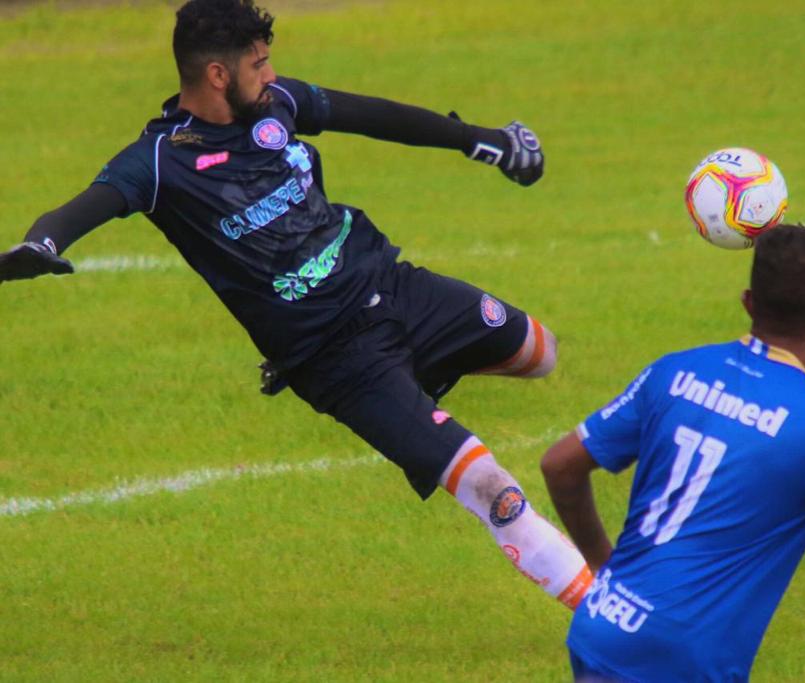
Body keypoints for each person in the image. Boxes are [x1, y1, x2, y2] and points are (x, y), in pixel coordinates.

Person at [0, 0, 592, 610]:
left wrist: (482, 142)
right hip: (335, 357)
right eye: (258, 64)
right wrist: (39, 245)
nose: (271, 73)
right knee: (490, 486)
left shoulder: (276, 105)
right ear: (217, 76)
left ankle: (418, 379)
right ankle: (621, 623)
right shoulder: (158, 163)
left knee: (538, 352)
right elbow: (83, 207)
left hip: (391, 286)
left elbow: (371, 115)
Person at [541, 225, 805, 681]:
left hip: (600, 629)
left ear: (748, 301)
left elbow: (560, 465)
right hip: (680, 662)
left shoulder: (673, 372)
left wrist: (603, 561)